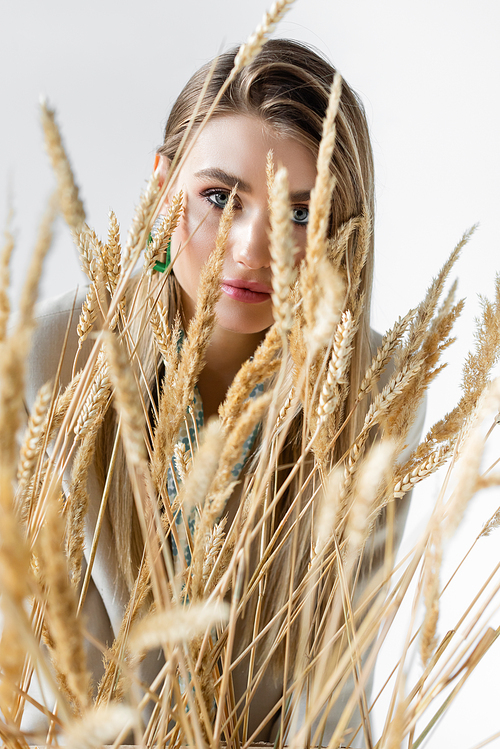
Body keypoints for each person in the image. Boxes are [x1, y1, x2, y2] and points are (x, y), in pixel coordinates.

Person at [24, 39, 425, 747]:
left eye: (300, 213)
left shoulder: (378, 389)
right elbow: (63, 679)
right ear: (162, 184)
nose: (252, 247)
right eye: (219, 197)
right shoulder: (59, 358)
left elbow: (337, 688)